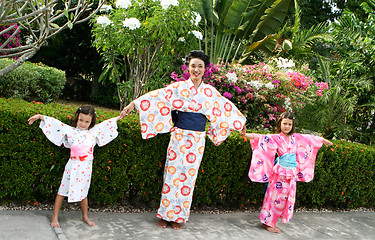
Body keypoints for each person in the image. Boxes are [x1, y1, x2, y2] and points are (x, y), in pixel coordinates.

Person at [121, 50, 246, 230]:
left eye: (200, 66)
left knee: (188, 176)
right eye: (193, 66)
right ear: (188, 67)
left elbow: (226, 109)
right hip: (179, 135)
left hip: (197, 139)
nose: (196, 70)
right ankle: (165, 214)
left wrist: (240, 122)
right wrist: (133, 104)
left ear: (205, 69)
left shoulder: (210, 92)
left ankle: (179, 216)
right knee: (171, 174)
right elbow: (157, 96)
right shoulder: (178, 88)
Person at [28, 105, 123, 228]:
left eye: (87, 121)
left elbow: (107, 124)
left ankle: (85, 216)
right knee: (62, 190)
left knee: (84, 193)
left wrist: (119, 118)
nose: (83, 124)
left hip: (86, 168)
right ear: (77, 118)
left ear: (91, 122)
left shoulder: (94, 132)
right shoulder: (70, 131)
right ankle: (55, 217)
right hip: (72, 166)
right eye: (81, 120)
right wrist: (40, 117)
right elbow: (56, 124)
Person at [241, 112, 333, 233]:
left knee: (286, 198)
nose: (287, 126)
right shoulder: (275, 138)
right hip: (279, 173)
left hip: (291, 173)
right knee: (274, 197)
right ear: (280, 124)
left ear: (292, 125)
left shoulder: (296, 138)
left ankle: (270, 221)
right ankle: (268, 223)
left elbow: (310, 139)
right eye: (284, 123)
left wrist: (323, 141)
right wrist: (244, 134)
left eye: (289, 124)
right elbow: (260, 137)